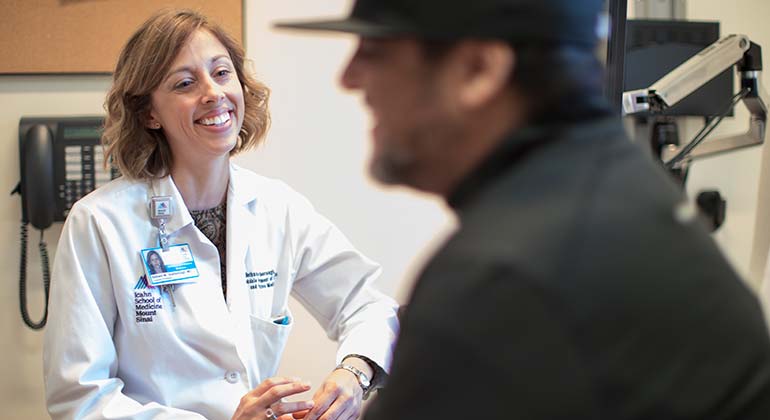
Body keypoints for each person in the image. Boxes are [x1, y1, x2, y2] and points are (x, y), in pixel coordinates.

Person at [276, 0, 770, 419]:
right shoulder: (619, 187)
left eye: (377, 50)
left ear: (477, 71)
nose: (349, 77)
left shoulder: (503, 276)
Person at [43, 9, 398, 420]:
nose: (213, 93)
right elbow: (80, 398)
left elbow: (369, 305)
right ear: (149, 113)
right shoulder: (100, 223)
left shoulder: (277, 208)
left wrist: (354, 374)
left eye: (222, 73)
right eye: (185, 83)